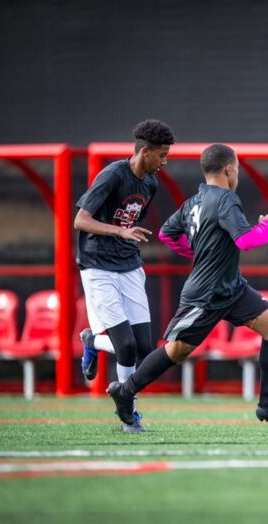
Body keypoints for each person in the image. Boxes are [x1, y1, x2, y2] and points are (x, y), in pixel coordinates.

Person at [106, 143, 268, 425]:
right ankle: (126, 391)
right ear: (229, 169)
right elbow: (246, 241)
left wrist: (198, 251)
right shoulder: (226, 199)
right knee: (177, 350)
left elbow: (167, 233)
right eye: (236, 169)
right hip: (206, 293)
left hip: (232, 288)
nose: (236, 174)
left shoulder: (194, 201)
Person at [74, 119, 175, 433]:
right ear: (144, 152)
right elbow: (81, 220)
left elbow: (131, 222)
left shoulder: (151, 184)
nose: (164, 161)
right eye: (160, 155)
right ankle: (128, 417)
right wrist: (120, 230)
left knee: (145, 349)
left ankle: (92, 340)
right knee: (127, 347)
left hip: (129, 266)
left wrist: (127, 235)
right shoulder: (112, 175)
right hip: (98, 267)